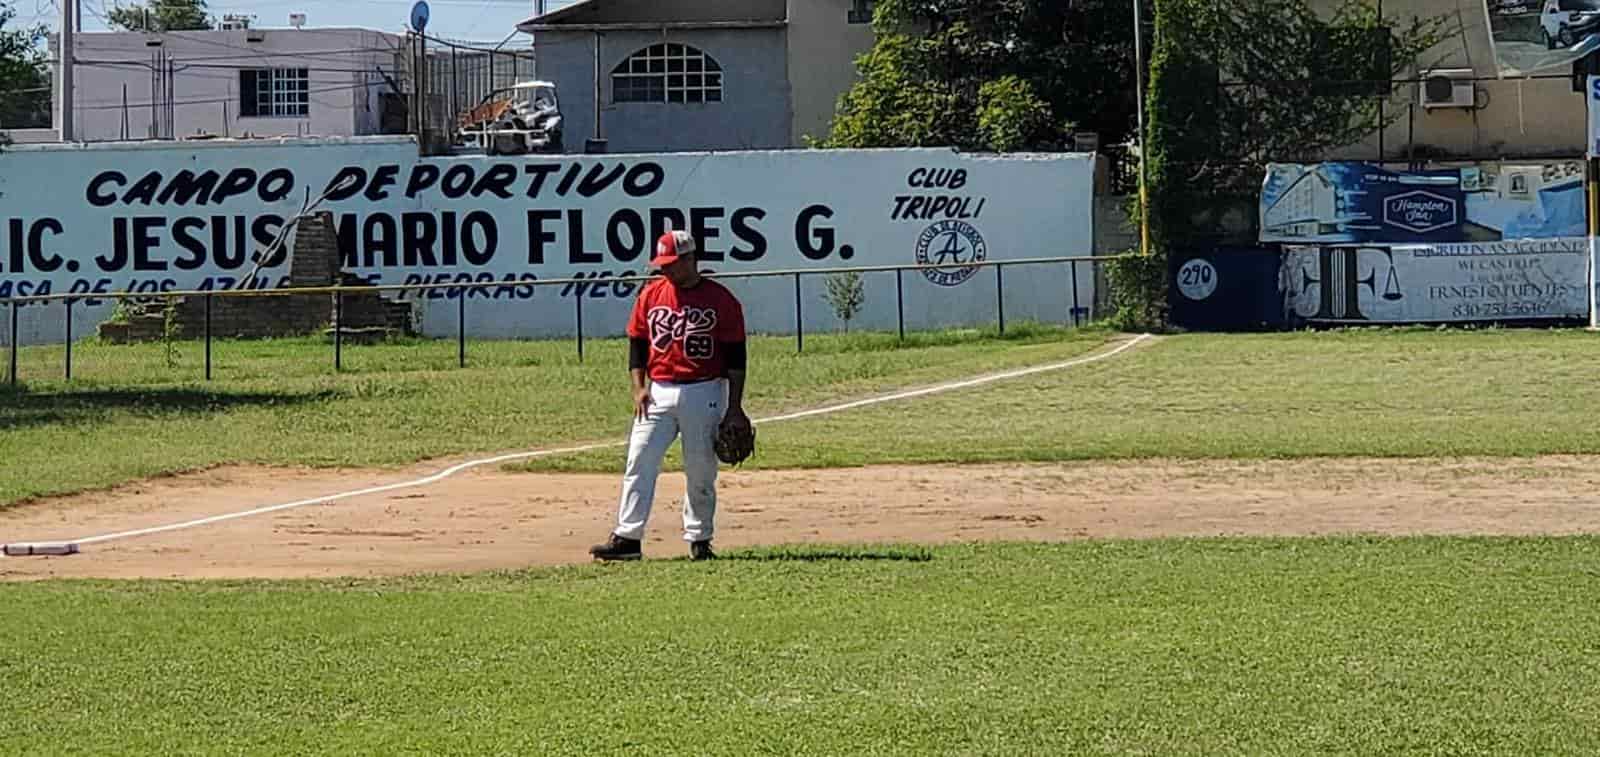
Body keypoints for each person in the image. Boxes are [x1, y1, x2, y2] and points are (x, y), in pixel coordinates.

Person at [590, 230, 750, 562]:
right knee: (639, 460)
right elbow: (637, 343)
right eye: (662, 264)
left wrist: (734, 407)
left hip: (705, 389)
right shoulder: (650, 295)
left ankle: (699, 539)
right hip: (658, 392)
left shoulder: (721, 300)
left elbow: (736, 358)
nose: (665, 270)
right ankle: (628, 538)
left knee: (701, 468)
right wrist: (638, 387)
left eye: (671, 264)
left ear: (690, 260)